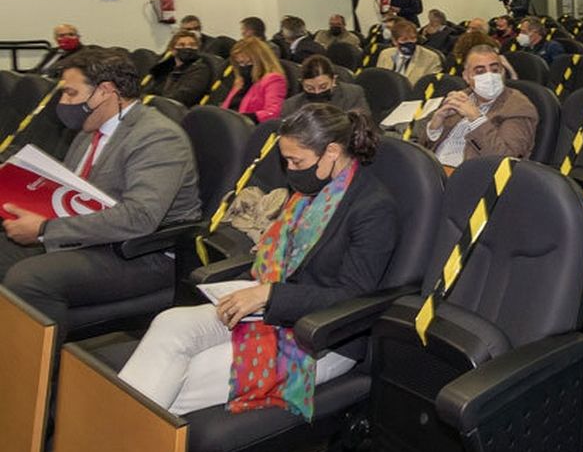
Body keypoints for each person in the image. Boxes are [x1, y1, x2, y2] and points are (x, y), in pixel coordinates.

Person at [118, 103, 397, 419]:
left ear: (332, 152)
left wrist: (269, 294)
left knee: (181, 377)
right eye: (286, 160)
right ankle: (117, 436)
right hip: (274, 309)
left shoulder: (373, 208)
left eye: (296, 161)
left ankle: (124, 442)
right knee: (170, 324)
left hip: (323, 335)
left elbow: (351, 295)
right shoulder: (313, 191)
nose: (290, 170)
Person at [0, 48, 202, 336]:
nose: (63, 102)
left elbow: (140, 217)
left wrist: (45, 229)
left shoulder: (158, 136)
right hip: (93, 238)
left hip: (142, 253)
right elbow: (71, 189)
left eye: (71, 93)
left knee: (29, 279)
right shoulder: (89, 129)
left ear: (105, 91)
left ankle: (43, 371)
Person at [415, 45, 538, 164]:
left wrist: (476, 119)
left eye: (495, 70)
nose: (489, 76)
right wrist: (435, 126)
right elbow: (421, 143)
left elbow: (506, 160)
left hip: (472, 176)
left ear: (503, 72)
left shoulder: (518, 106)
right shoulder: (460, 97)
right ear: (466, 77)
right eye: (480, 71)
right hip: (432, 168)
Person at [279, 55, 371, 117]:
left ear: (334, 80)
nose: (317, 92)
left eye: (323, 87)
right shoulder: (290, 106)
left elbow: (363, 128)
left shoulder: (353, 95)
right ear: (301, 83)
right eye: (310, 88)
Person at [222, 37, 287, 123]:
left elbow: (273, 112)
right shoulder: (240, 80)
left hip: (250, 128)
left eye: (249, 62)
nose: (244, 67)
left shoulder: (274, 80)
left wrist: (244, 118)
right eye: (240, 63)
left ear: (261, 61)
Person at [145, 29, 213, 107]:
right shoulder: (166, 68)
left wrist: (157, 103)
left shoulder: (201, 70)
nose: (187, 48)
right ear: (173, 50)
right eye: (181, 45)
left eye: (192, 45)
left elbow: (185, 96)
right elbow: (149, 89)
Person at [376, 19, 443, 84]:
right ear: (394, 41)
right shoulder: (385, 54)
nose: (409, 42)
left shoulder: (431, 58)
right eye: (404, 39)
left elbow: (431, 85)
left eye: (413, 38)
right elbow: (379, 79)